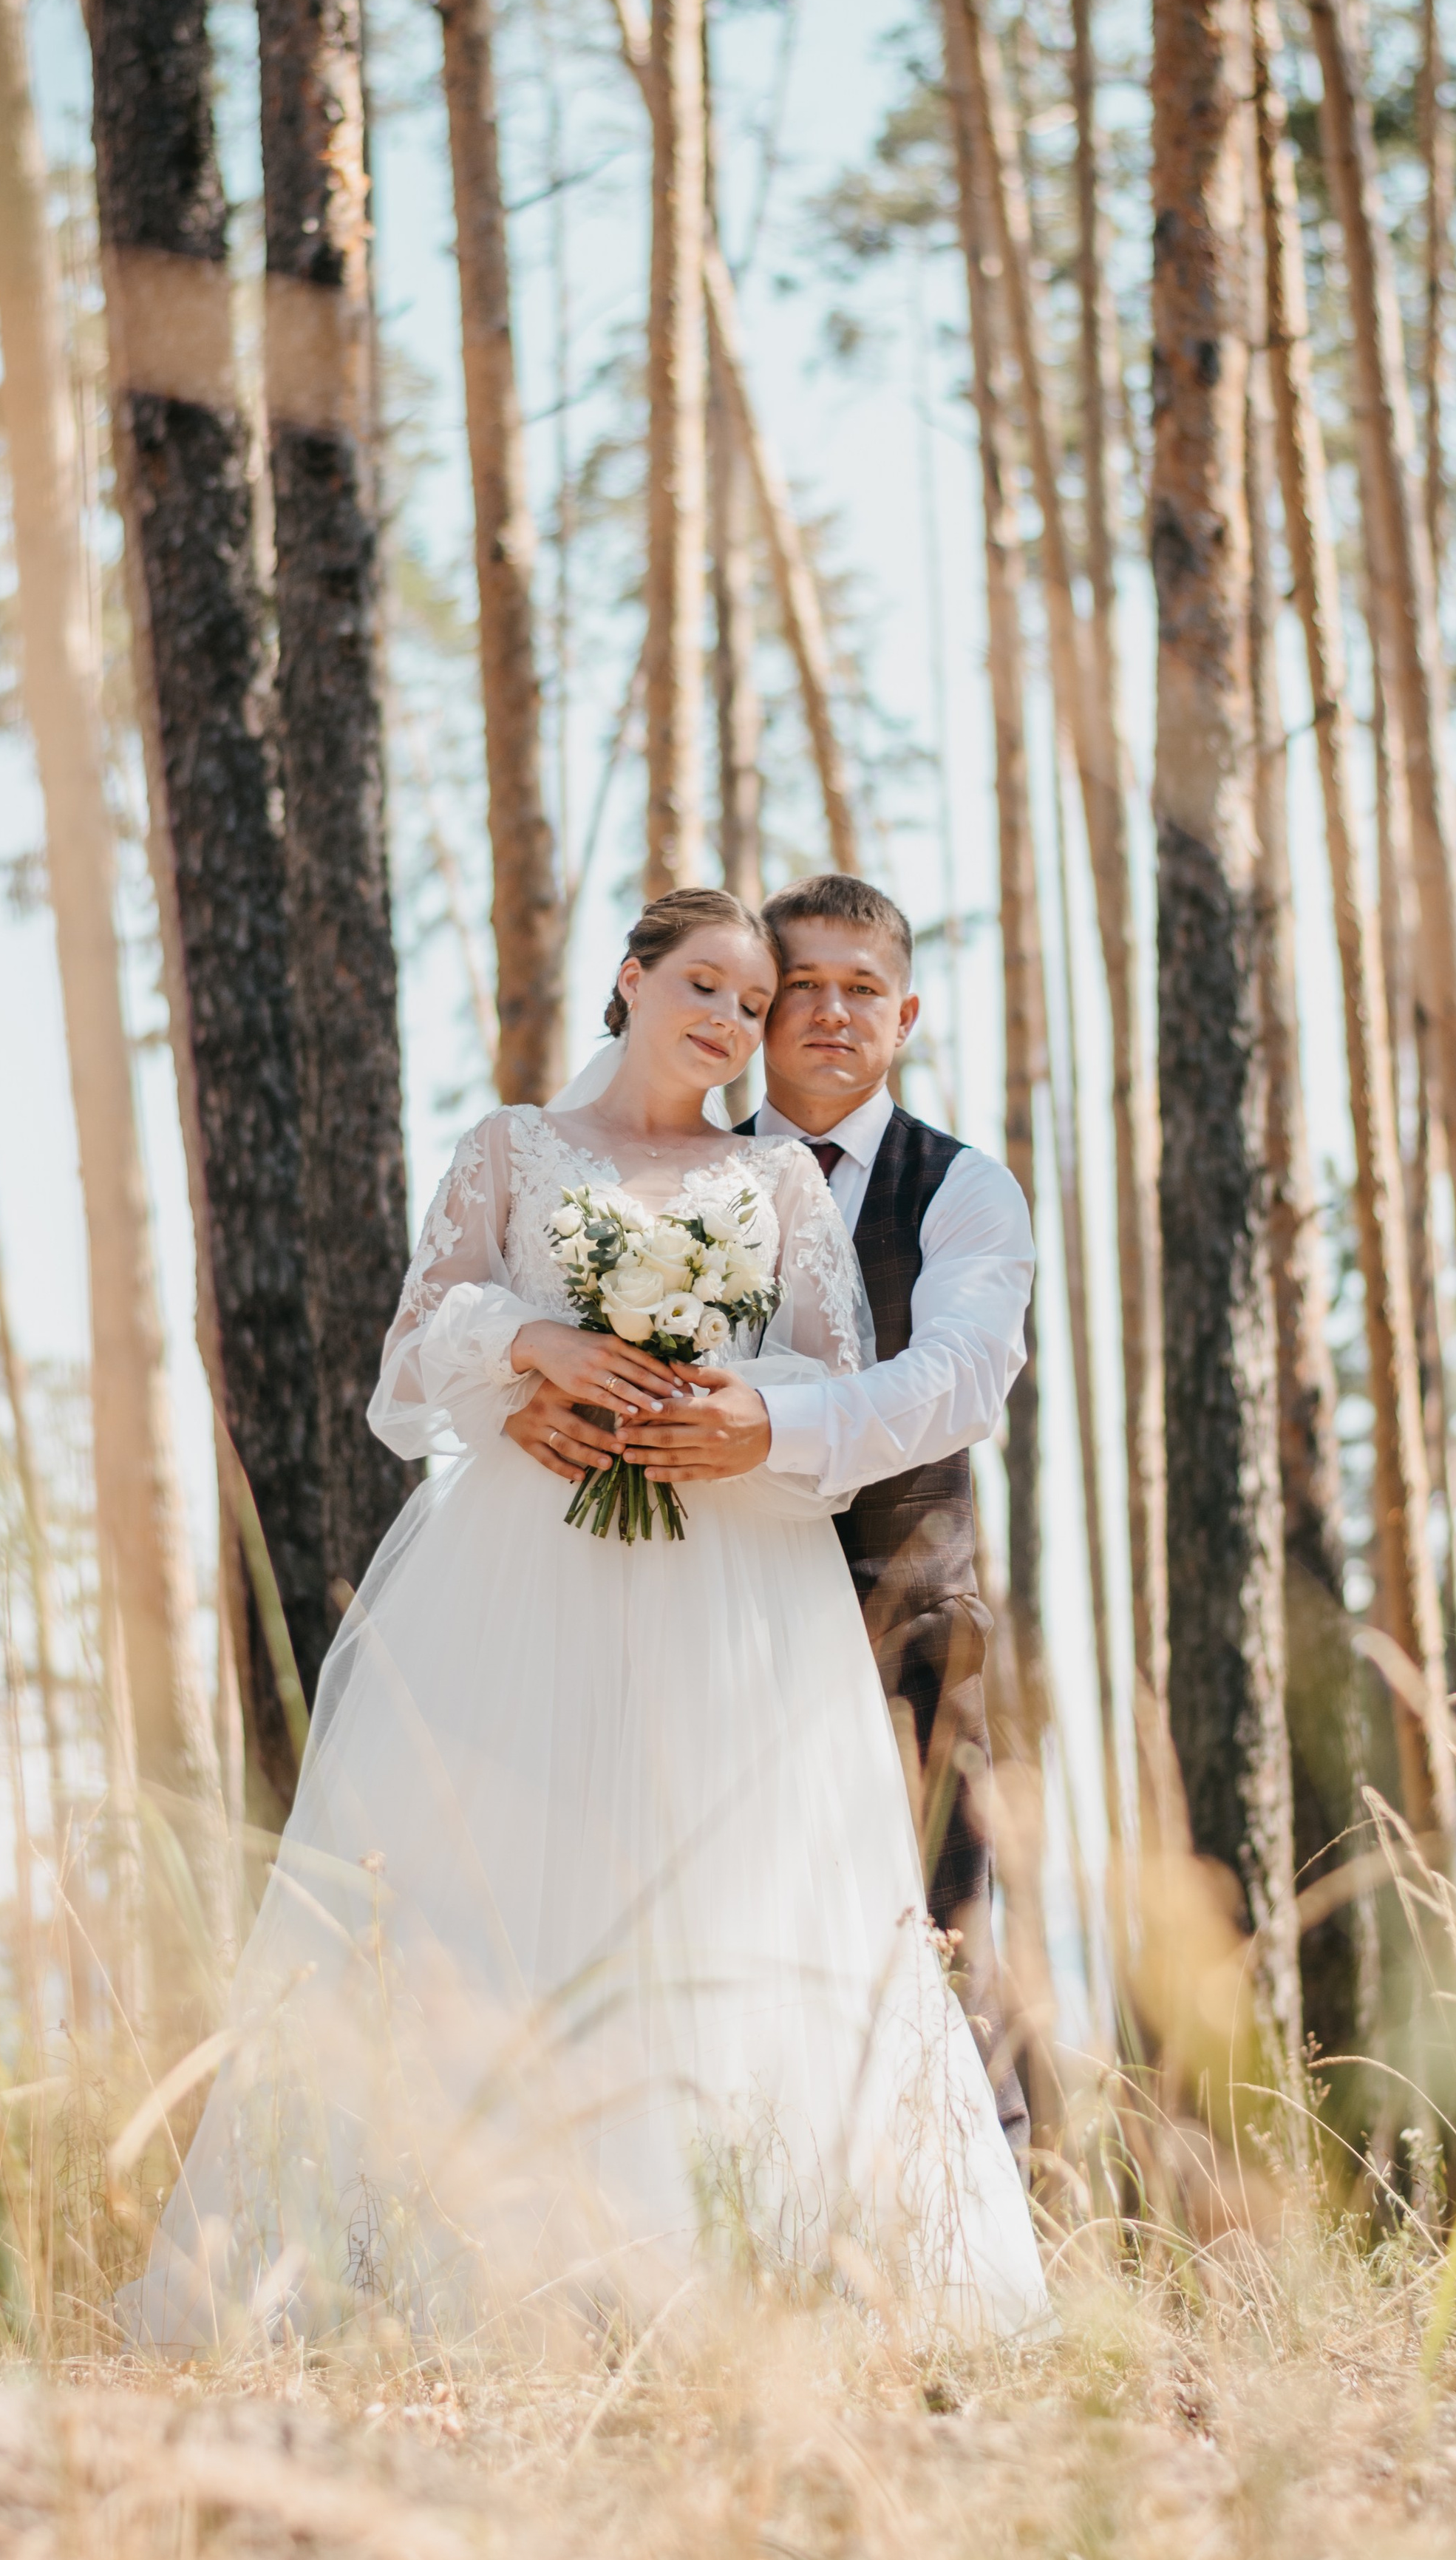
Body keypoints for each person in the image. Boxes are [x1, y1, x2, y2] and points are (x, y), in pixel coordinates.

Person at [123, 888, 1047, 2352]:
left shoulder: (904, 1189)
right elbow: (419, 1353)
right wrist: (529, 1354)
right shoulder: (517, 1148)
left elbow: (923, 1376)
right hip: (530, 1565)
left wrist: (755, 1426)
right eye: (731, 989)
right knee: (514, 1871)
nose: (751, 1022)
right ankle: (480, 2252)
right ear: (627, 978)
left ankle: (790, 2259)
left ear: (897, 1014)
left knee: (815, 1907)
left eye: (776, 1001)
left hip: (776, 1589)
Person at [508, 877, 1035, 2150]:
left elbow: (959, 1376)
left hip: (903, 1619)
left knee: (936, 1935)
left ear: (904, 1015)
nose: (832, 1014)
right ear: (758, 1010)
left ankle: (991, 2262)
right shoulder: (665, 1167)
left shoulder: (962, 1189)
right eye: (802, 987)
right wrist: (532, 1405)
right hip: (703, 1623)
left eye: (865, 990)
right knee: (723, 1933)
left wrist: (774, 1426)